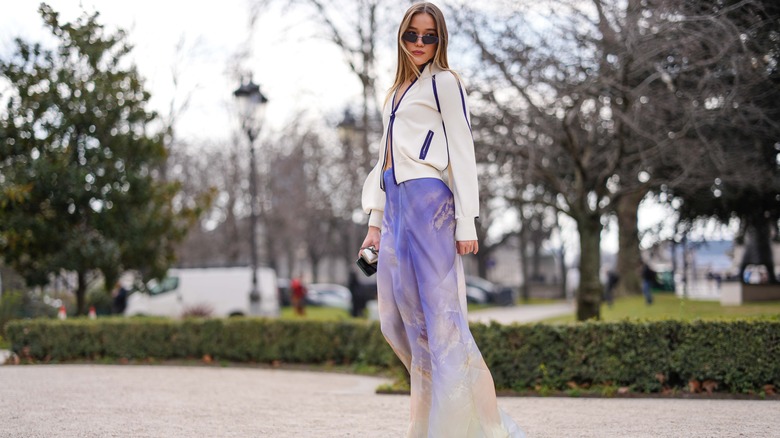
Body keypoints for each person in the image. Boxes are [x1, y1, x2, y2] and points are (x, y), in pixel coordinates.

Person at [359, 3, 524, 436]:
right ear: (401, 37)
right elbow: (384, 158)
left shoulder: (445, 84)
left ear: (440, 40)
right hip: (395, 206)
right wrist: (375, 221)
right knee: (397, 322)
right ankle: (437, 420)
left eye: (428, 36)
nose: (418, 43)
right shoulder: (395, 92)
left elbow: (464, 151)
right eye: (412, 35)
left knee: (443, 322)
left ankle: (478, 428)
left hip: (431, 203)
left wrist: (467, 220)